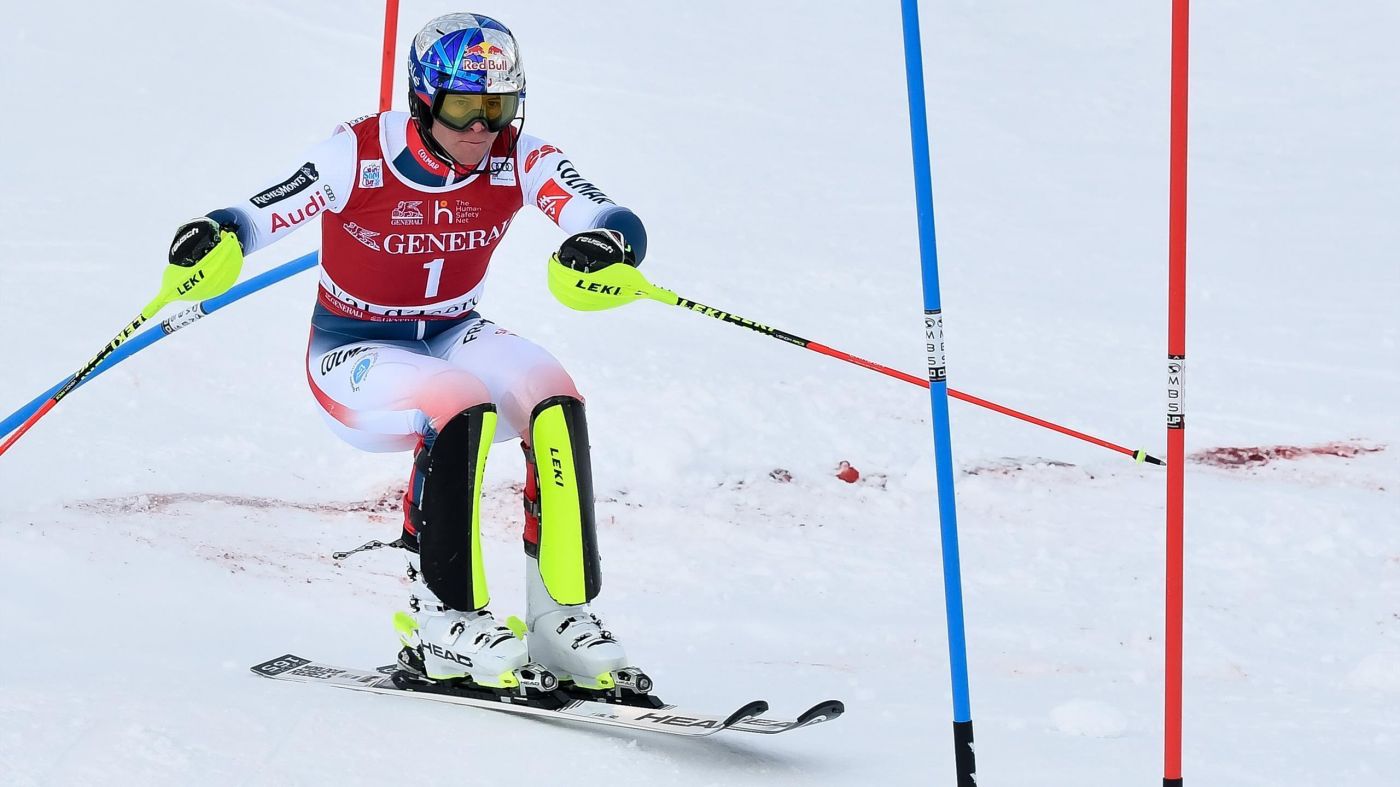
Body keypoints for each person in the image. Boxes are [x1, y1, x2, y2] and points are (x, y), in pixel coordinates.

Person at [167, 12, 650, 698]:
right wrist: (217, 233)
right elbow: (260, 212)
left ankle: (559, 614)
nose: (481, 128)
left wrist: (609, 243)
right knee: (459, 399)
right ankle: (442, 616)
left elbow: (604, 212)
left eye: (498, 107)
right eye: (463, 107)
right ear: (424, 99)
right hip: (353, 347)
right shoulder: (357, 154)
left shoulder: (520, 155)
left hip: (451, 326)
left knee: (553, 393)